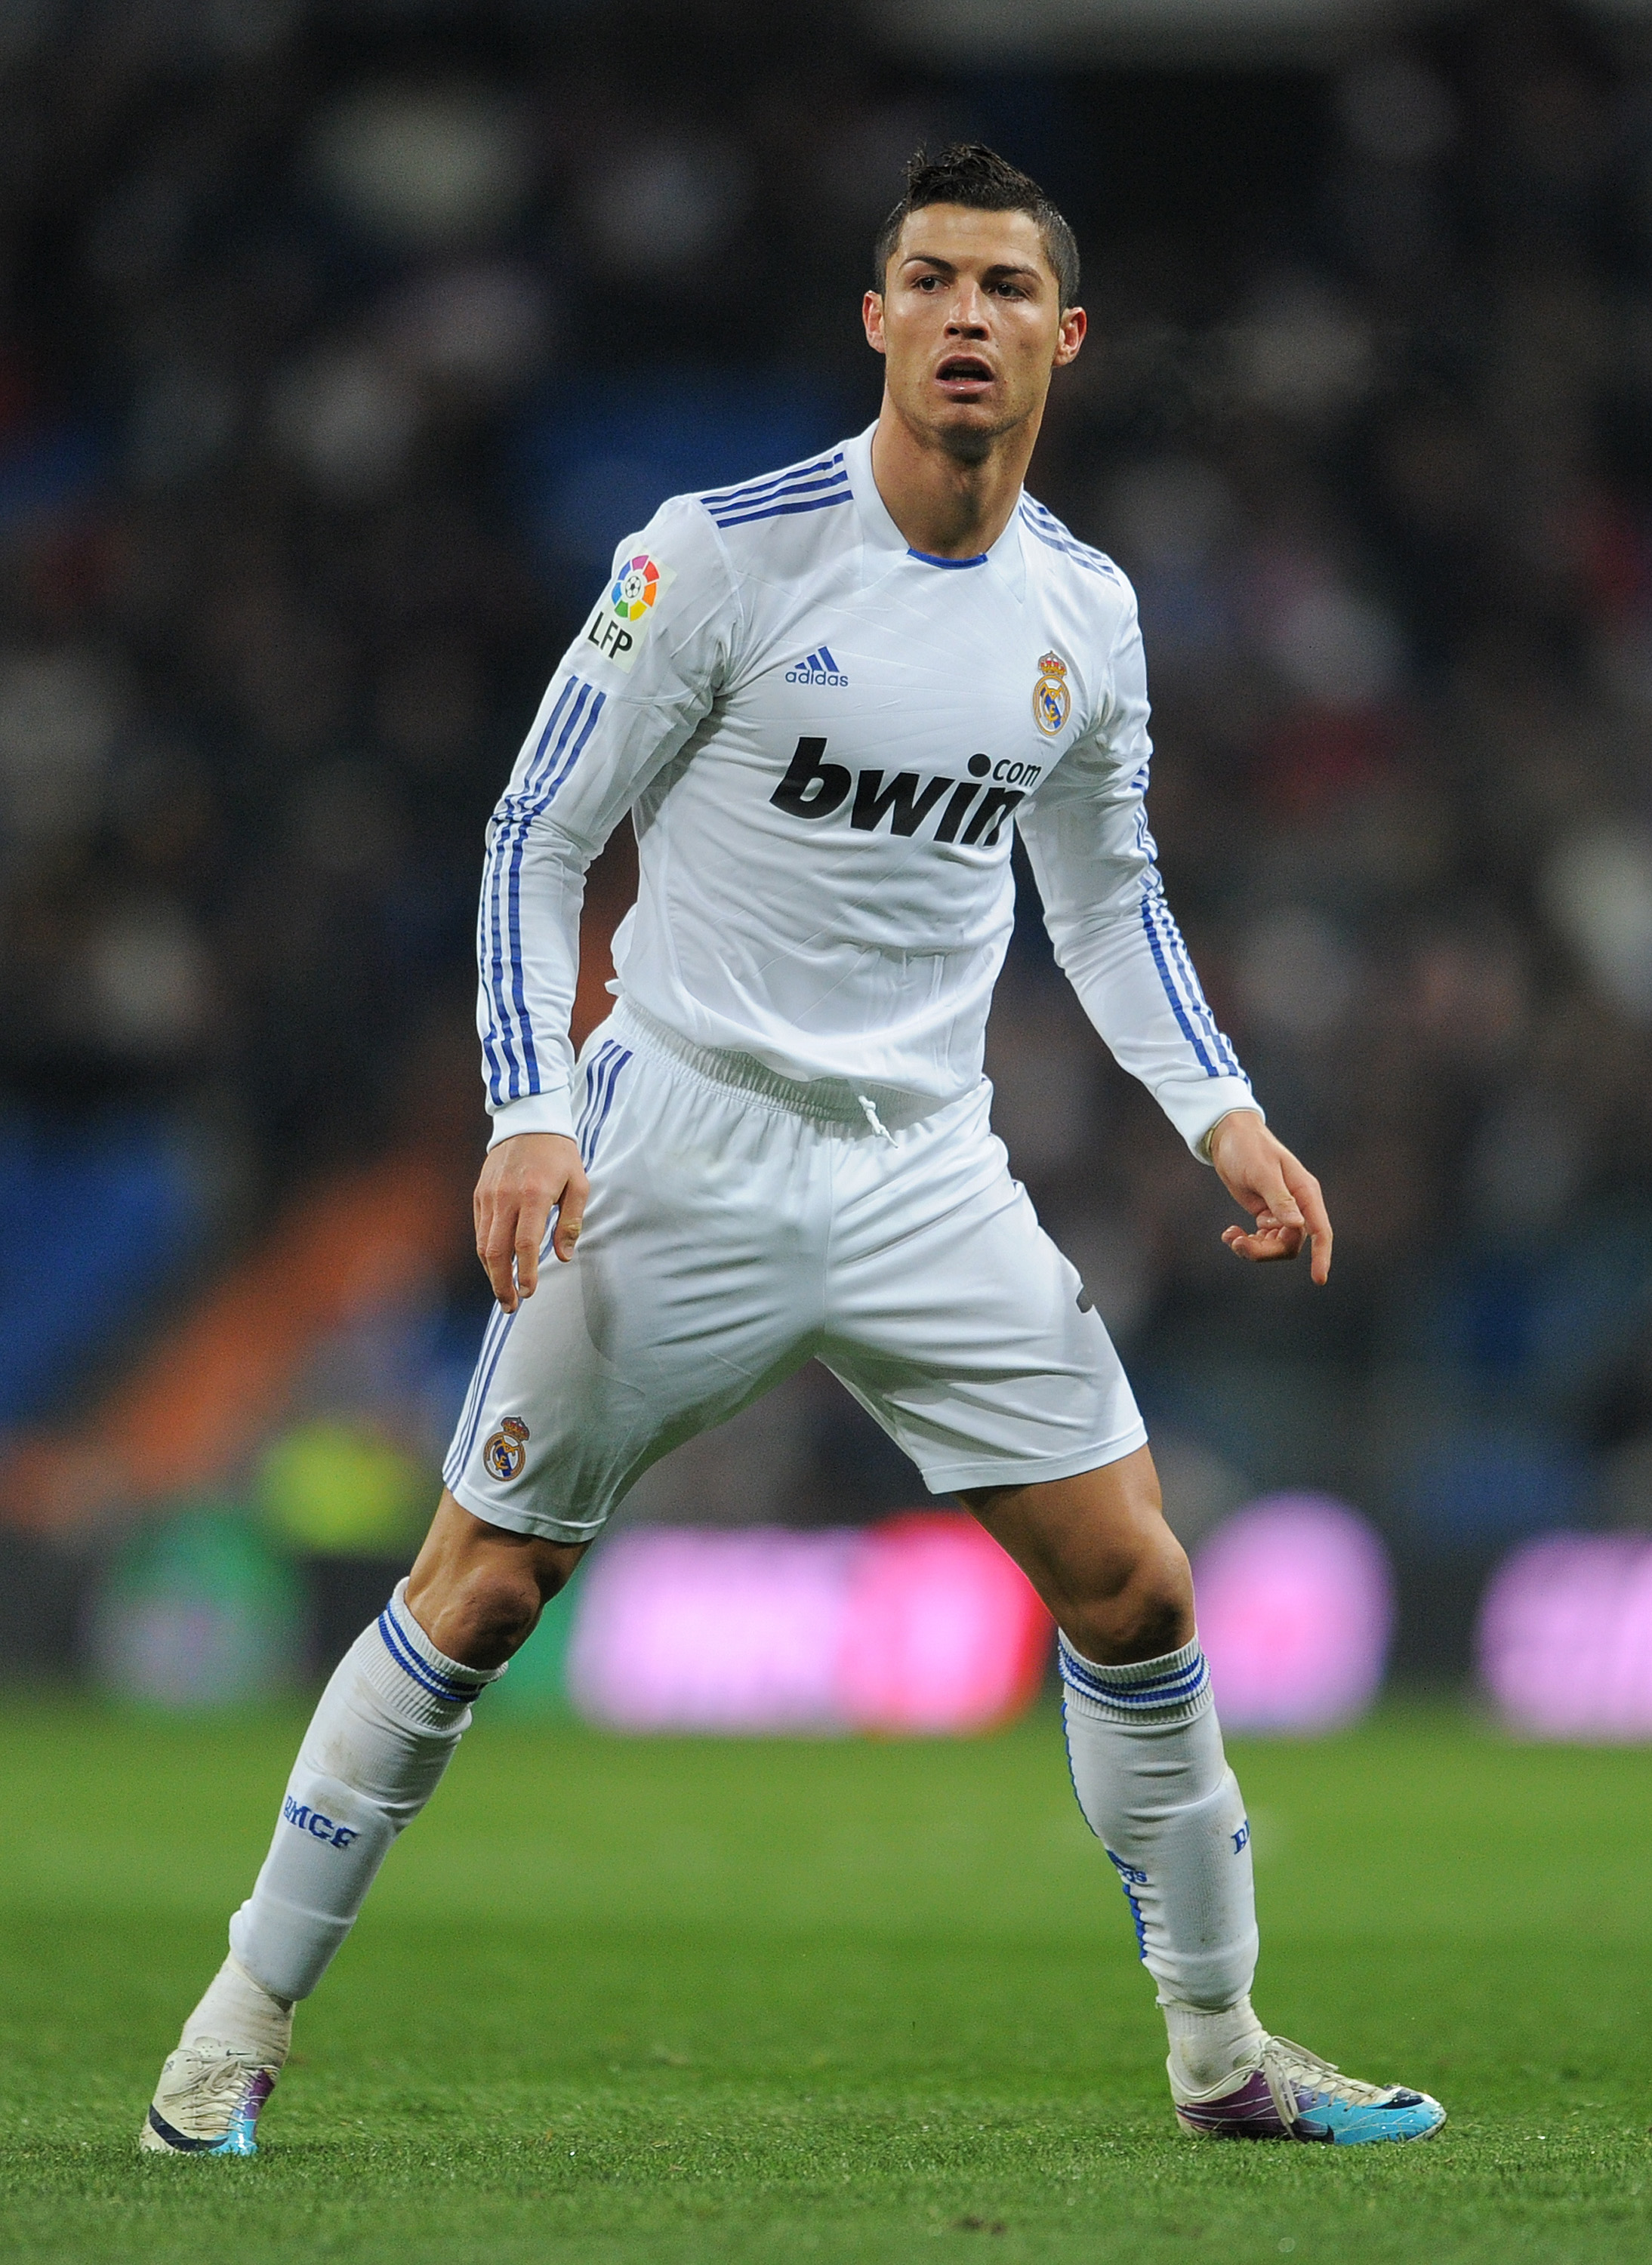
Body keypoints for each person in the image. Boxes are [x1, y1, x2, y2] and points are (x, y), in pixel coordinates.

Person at [141, 143, 1444, 2156]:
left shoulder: (1082, 613)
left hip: (928, 1167)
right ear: (874, 317)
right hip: (681, 1146)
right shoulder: (720, 556)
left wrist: (1221, 1113)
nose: (962, 316)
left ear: (1060, 339)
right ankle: (224, 2037)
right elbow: (535, 836)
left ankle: (1221, 2055)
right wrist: (528, 1104)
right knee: (477, 1598)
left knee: (1137, 1591)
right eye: (926, 279)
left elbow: (1106, 900)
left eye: (1004, 288)